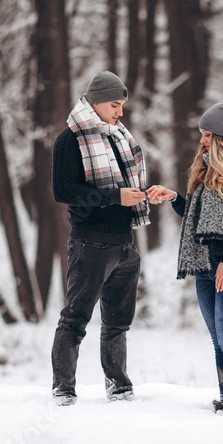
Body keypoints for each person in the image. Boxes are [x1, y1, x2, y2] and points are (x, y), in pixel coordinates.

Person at [147, 97, 223, 416]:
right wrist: (173, 198)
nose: (202, 140)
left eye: (207, 135)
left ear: (221, 136)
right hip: (204, 267)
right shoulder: (209, 168)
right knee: (217, 340)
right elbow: (197, 219)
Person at [51, 71, 149, 406]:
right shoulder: (71, 139)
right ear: (95, 102)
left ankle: (119, 386)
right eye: (114, 104)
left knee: (118, 323)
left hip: (125, 243)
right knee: (75, 319)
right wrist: (113, 196)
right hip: (90, 242)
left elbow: (123, 187)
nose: (120, 112)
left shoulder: (117, 137)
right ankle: (63, 389)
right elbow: (63, 191)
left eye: (122, 105)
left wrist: (141, 195)